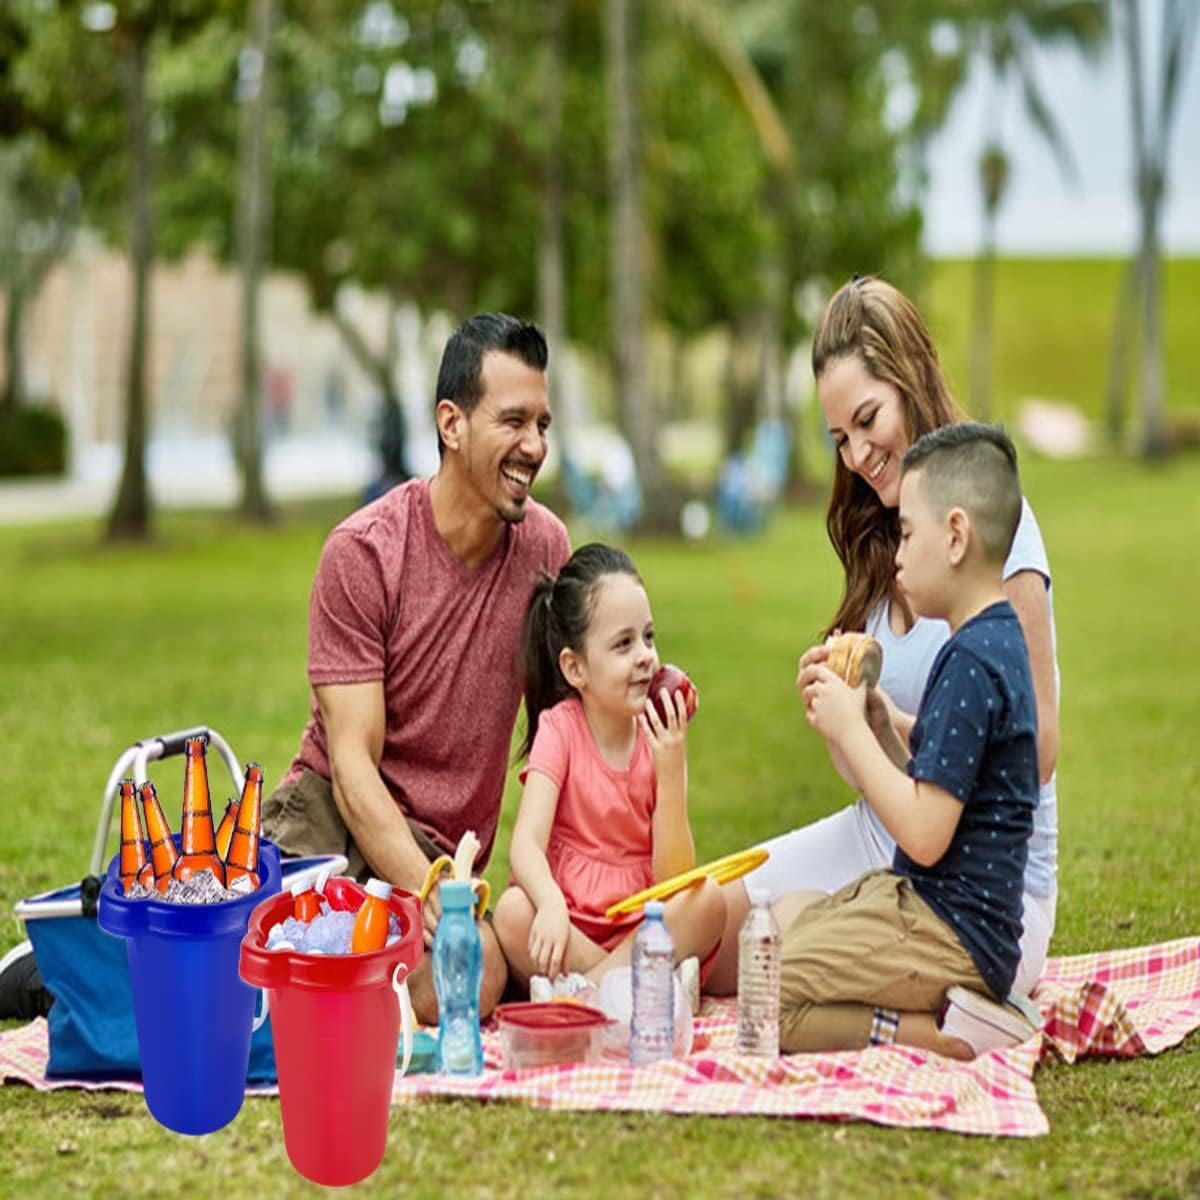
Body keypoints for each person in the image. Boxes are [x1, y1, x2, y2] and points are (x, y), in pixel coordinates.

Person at [705, 276, 1059, 999]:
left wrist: (885, 737)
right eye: (840, 438)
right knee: (708, 919)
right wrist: (845, 715)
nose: (859, 455)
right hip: (883, 840)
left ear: (913, 380)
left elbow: (1040, 754)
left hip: (978, 890)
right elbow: (871, 771)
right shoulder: (886, 536)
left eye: (868, 420)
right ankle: (590, 996)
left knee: (773, 969)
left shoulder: (995, 532)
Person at [262, 313, 571, 1023]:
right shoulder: (364, 553)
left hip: (443, 850)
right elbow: (351, 764)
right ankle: (57, 971)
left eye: (544, 426)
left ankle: (346, 995)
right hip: (330, 823)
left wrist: (641, 687)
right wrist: (426, 890)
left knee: (475, 977)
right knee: (245, 968)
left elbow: (564, 733)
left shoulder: (545, 550)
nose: (534, 446)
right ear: (451, 423)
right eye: (514, 421)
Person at [776, 422, 1043, 1055]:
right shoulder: (991, 641)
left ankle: (936, 1034)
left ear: (955, 536)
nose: (896, 554)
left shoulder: (971, 662)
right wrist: (880, 721)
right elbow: (941, 778)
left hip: (951, 931)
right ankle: (943, 1013)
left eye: (906, 533)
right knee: (785, 918)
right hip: (946, 913)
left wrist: (850, 732)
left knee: (773, 986)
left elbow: (923, 834)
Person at [493, 543, 725, 1003]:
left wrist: (672, 771)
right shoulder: (560, 729)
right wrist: (552, 903)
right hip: (572, 920)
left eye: (649, 637)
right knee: (512, 912)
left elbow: (674, 879)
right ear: (575, 667)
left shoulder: (657, 733)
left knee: (709, 901)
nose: (645, 656)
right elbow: (525, 845)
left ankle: (591, 992)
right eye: (624, 644)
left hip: (641, 922)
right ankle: (640, 985)